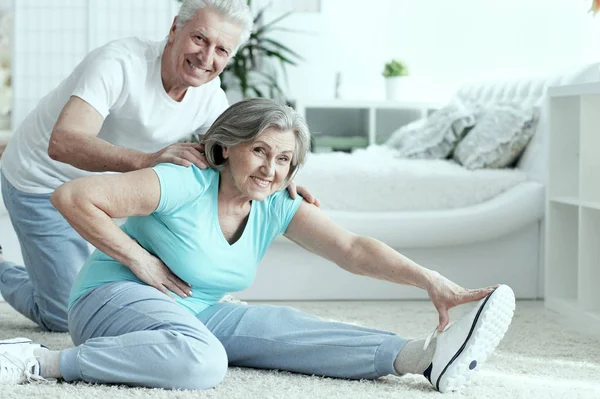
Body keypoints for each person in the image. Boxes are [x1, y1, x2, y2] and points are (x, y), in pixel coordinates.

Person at [0, 98, 515, 393]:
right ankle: (40, 361)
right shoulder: (183, 181)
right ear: (227, 147)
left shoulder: (276, 203)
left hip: (194, 307)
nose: (270, 168)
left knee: (283, 328)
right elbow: (73, 196)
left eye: (284, 159)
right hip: (113, 301)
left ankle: (422, 358)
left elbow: (353, 249)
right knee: (202, 363)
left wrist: (435, 282)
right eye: (259, 151)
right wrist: (139, 259)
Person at [0, 0, 316, 332]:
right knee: (63, 315)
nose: (207, 58)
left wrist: (277, 178)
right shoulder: (119, 63)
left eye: (222, 50)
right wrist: (146, 161)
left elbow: (230, 162)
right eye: (199, 39)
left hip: (113, 192)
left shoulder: (210, 97)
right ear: (174, 30)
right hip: (41, 179)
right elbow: (63, 142)